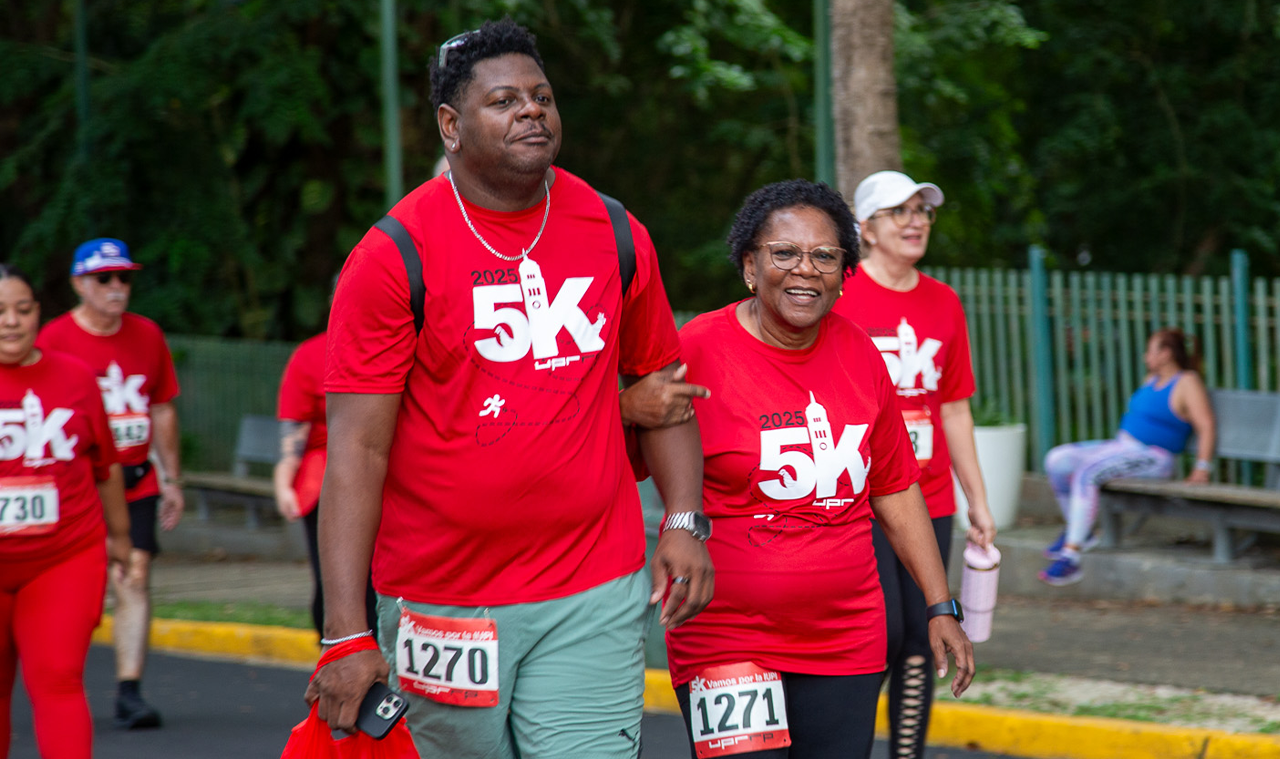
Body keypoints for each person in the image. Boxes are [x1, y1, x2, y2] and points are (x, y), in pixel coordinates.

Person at [306, 18, 712, 758]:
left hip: (593, 586)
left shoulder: (614, 229)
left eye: (542, 96)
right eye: (505, 101)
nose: (531, 110)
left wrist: (683, 520)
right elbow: (357, 450)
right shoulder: (394, 253)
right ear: (450, 126)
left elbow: (666, 388)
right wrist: (345, 631)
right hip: (444, 601)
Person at [666, 179, 974, 759]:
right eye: (784, 254)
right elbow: (647, 456)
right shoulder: (700, 347)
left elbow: (894, 486)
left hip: (844, 638)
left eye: (825, 256)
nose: (805, 270)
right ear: (750, 266)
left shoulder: (860, 353)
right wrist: (677, 527)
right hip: (725, 632)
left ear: (843, 273)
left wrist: (939, 605)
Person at [832, 170, 996, 759]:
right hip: (858, 498)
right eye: (900, 212)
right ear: (867, 229)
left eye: (922, 212)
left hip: (930, 497)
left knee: (926, 638)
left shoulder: (944, 302)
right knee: (885, 634)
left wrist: (978, 500)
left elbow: (954, 409)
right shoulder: (840, 291)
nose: (916, 222)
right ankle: (843, 742)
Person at [37, 239, 185, 729]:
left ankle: (129, 691)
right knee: (75, 585)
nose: (117, 288)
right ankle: (57, 679)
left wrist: (173, 479)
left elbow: (162, 407)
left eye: (124, 278)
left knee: (135, 576)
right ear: (80, 284)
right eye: (105, 279)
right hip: (76, 482)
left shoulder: (147, 335)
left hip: (136, 479)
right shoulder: (54, 338)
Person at [0, 265, 131, 759]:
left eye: (23, 309)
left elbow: (107, 466)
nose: (11, 322)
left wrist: (120, 539)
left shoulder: (74, 376)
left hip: (64, 556)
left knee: (57, 678)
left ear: (39, 313)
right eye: (0, 312)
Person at [1041, 327, 1215, 585]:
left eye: (1151, 350)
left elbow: (1206, 425)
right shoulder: (1151, 380)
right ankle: (1082, 532)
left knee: (1087, 473)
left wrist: (1202, 467)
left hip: (1154, 457)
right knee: (1057, 460)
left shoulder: (1187, 382)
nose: (1146, 357)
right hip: (1122, 447)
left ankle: (1071, 557)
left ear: (1166, 354)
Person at [272, 320, 378, 638]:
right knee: (335, 579)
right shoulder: (311, 354)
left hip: (386, 474)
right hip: (325, 478)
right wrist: (284, 479)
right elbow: (295, 428)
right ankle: (336, 646)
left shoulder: (396, 344)